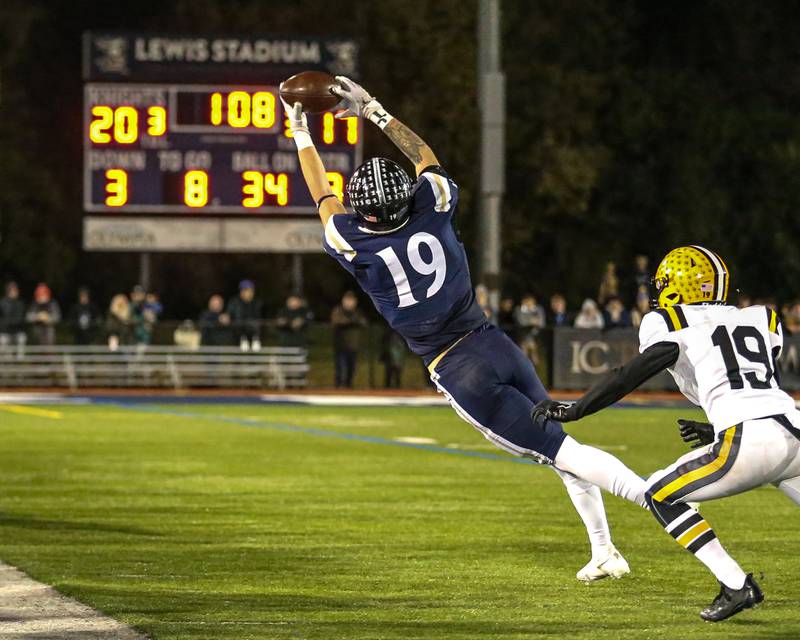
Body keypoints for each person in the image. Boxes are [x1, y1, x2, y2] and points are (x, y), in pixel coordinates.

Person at [283, 76, 649, 580]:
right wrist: (373, 111)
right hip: (495, 341)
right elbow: (424, 157)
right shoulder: (431, 203)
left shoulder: (353, 241)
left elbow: (321, 192)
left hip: (458, 367)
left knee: (562, 451)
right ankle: (604, 549)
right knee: (561, 444)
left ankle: (659, 500)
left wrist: (299, 128)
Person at [533, 245, 800, 621]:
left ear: (676, 288)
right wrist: (715, 428)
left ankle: (736, 585)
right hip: (792, 429)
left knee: (659, 494)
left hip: (751, 440)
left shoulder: (670, 322)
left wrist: (575, 409)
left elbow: (631, 374)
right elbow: (753, 388)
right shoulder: (763, 318)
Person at [330, 291, 367, 388]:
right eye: (347, 300)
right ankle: (338, 388)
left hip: (353, 345)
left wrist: (350, 322)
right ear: (343, 301)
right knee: (341, 368)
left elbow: (363, 323)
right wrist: (352, 322)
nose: (350, 303)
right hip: (340, 345)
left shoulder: (358, 312)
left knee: (351, 369)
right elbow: (338, 322)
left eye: (352, 300)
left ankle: (348, 387)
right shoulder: (338, 310)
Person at [227, 280, 263, 351]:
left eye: (251, 290)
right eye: (246, 290)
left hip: (253, 334)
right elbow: (229, 314)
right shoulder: (234, 302)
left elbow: (260, 318)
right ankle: (243, 338)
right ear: (241, 292)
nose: (249, 293)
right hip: (237, 336)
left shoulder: (257, 303)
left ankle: (255, 339)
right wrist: (226, 317)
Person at [513, 294, 546, 365]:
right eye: (527, 301)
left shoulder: (539, 309)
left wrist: (531, 322)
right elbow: (521, 322)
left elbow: (542, 323)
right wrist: (532, 321)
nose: (529, 303)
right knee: (524, 349)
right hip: (522, 337)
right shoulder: (518, 309)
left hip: (537, 337)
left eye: (531, 301)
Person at [0, 281, 27, 350]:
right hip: (5, 331)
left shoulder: (20, 303)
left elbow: (21, 318)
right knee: (5, 346)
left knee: (22, 338)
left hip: (17, 330)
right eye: (12, 290)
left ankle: (20, 360)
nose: (15, 292)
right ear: (8, 291)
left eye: (15, 290)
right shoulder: (2, 303)